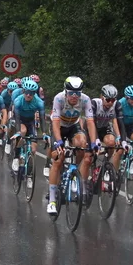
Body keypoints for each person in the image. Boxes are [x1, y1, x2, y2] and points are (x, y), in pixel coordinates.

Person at [47, 76, 98, 216]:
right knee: (58, 158)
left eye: (78, 93)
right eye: (71, 93)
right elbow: (55, 122)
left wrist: (93, 142)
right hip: (59, 127)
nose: (75, 96)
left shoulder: (85, 100)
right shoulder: (58, 99)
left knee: (82, 144)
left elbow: (90, 122)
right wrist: (58, 141)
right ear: (66, 92)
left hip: (73, 126)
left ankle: (74, 172)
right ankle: (52, 200)